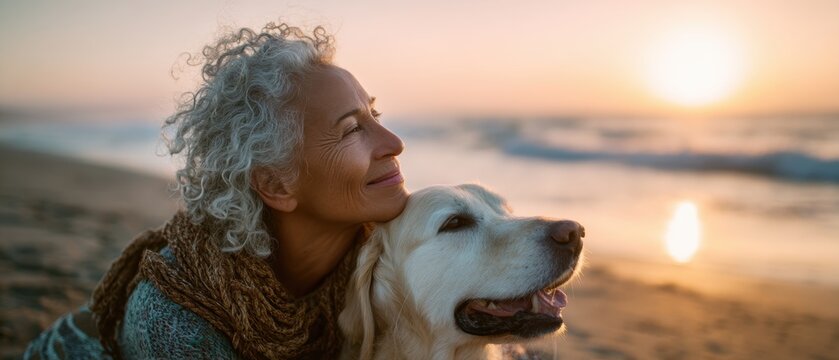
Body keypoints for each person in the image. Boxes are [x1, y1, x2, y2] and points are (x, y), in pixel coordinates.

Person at [24, 22, 408, 359]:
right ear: (275, 184)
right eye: (351, 129)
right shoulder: (177, 318)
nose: (394, 143)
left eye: (373, 115)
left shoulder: (389, 260)